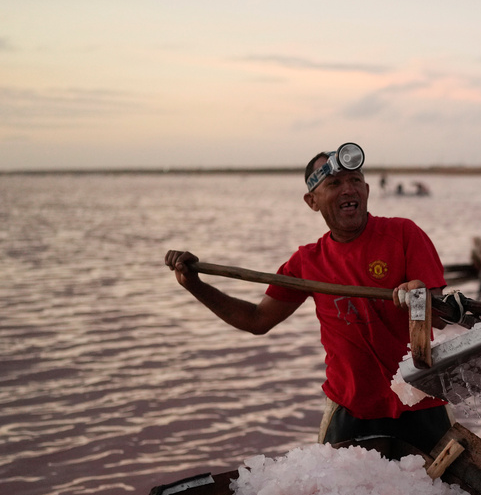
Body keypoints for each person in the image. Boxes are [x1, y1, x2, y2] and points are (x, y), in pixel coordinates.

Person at [165, 147, 452, 450]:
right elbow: (256, 320)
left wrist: (420, 294)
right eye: (334, 184)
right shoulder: (306, 262)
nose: (348, 189)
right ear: (312, 201)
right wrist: (195, 286)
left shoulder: (404, 234)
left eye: (355, 180)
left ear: (367, 190)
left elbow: (444, 319)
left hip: (422, 402)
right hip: (350, 410)